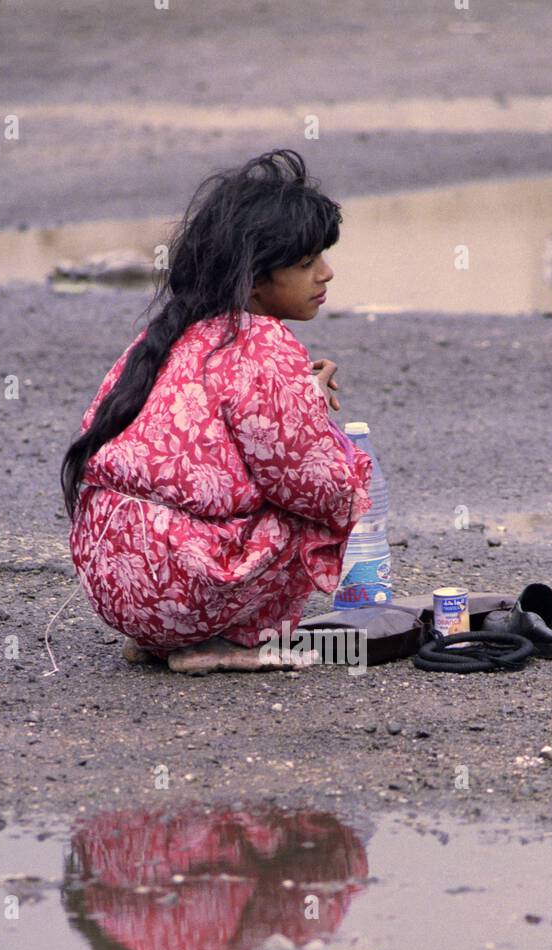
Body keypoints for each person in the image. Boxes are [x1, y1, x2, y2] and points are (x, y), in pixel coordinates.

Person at [60, 148, 373, 674]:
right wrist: (333, 441)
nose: (327, 273)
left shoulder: (169, 334)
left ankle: (164, 638)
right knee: (313, 506)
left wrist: (302, 398)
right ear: (252, 279)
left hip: (117, 584)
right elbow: (315, 485)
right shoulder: (262, 343)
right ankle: (222, 643)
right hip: (187, 587)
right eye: (305, 263)